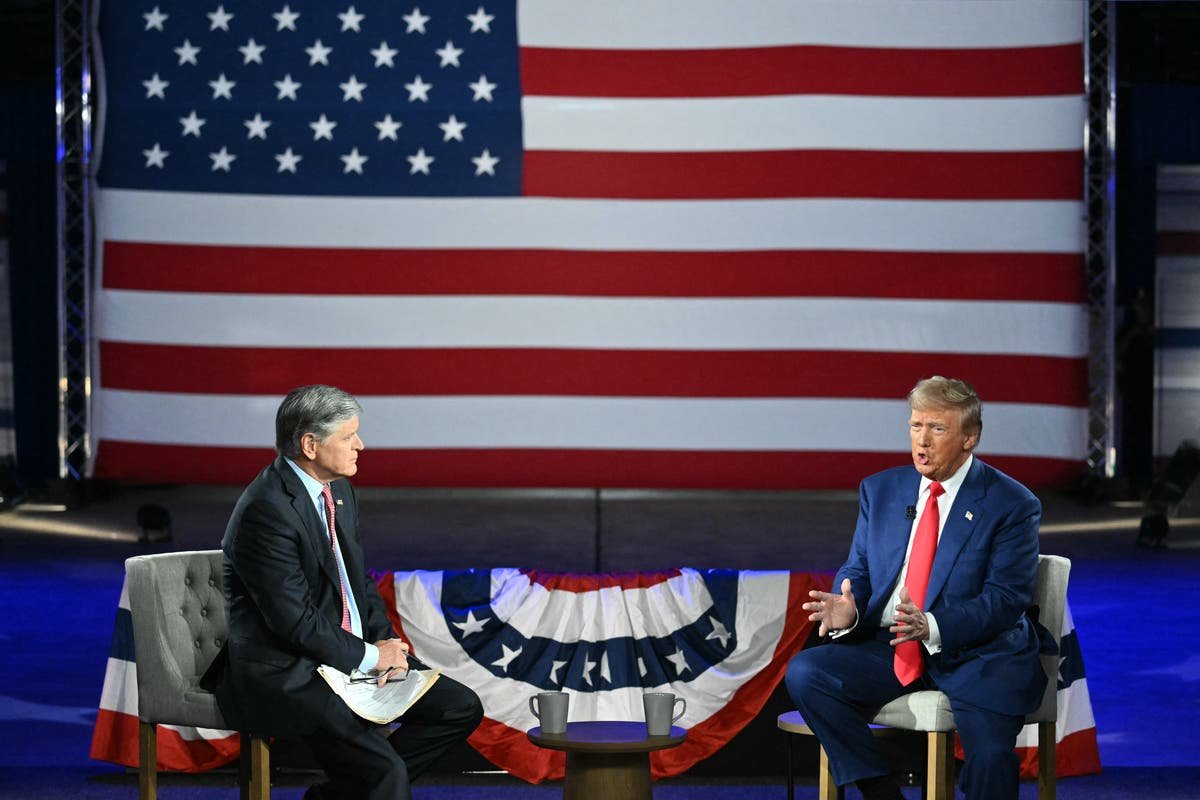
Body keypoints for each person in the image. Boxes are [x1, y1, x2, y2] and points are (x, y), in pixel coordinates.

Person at [205, 384, 483, 800]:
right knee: (385, 772)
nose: (361, 445)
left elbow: (357, 583)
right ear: (310, 445)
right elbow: (293, 623)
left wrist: (384, 639)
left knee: (459, 708)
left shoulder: (337, 488)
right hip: (288, 670)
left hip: (342, 655)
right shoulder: (266, 510)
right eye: (348, 436)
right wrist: (371, 657)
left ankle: (339, 796)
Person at [785, 376, 1045, 800]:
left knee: (992, 758)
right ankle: (882, 793)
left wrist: (934, 625)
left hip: (977, 654)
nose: (921, 441)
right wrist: (850, 609)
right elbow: (861, 569)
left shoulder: (1011, 504)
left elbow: (1005, 599)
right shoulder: (881, 490)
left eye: (937, 429)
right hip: (891, 648)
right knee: (807, 673)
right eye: (915, 426)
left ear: (969, 438)